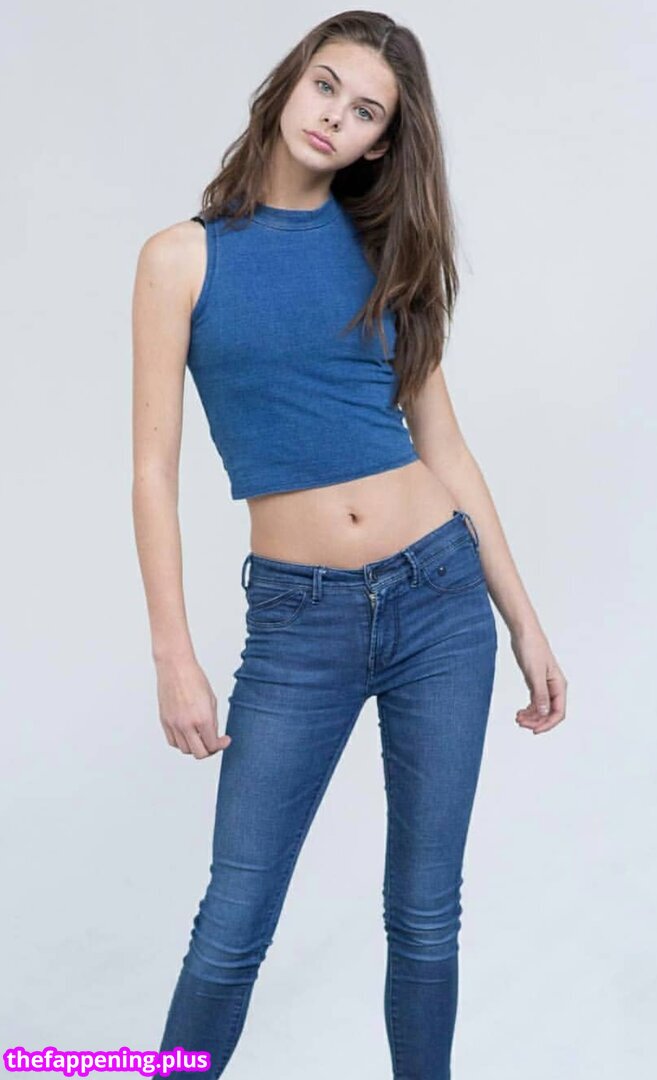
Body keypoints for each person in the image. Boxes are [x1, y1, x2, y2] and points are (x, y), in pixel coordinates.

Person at [131, 11, 567, 1078]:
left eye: (366, 111)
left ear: (380, 144)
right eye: (326, 86)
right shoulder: (181, 258)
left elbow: (446, 448)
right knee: (234, 921)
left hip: (439, 601)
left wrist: (523, 620)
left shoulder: (383, 252)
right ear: (291, 83)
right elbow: (152, 471)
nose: (335, 115)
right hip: (299, 623)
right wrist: (174, 655)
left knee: (424, 915)